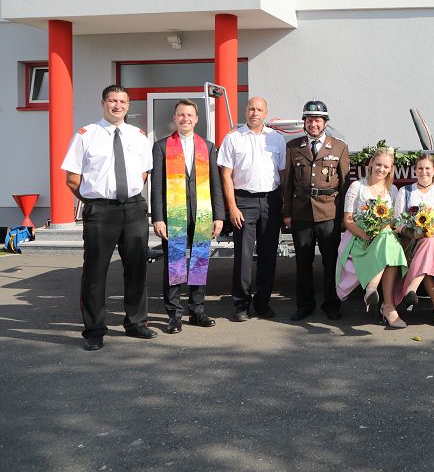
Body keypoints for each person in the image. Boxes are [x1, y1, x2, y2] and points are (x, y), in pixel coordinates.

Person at [62, 85, 155, 350]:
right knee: (95, 272)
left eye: (122, 102)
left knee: (137, 269)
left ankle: (136, 322)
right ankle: (94, 330)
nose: (117, 106)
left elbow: (143, 173)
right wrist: (93, 202)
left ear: (128, 106)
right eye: (112, 101)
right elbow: (72, 178)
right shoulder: (86, 135)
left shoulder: (138, 136)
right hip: (100, 211)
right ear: (103, 103)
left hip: (134, 208)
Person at [150, 99, 224, 334]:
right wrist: (158, 218)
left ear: (196, 119)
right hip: (174, 215)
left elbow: (215, 184)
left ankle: (197, 310)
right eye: (181, 115)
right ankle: (174, 315)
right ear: (174, 118)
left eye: (190, 115)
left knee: (199, 263)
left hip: (202, 214)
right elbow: (156, 187)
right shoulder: (162, 146)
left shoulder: (207, 147)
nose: (185, 119)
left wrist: (219, 216)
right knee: (174, 265)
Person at [218, 97, 286, 322]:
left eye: (259, 109)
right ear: (245, 111)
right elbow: (226, 176)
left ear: (266, 113)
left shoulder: (277, 139)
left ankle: (263, 303)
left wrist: (285, 206)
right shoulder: (233, 138)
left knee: (269, 255)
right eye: (251, 109)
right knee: (243, 257)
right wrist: (232, 207)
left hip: (270, 201)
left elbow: (283, 174)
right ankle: (241, 304)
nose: (254, 113)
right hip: (243, 202)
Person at [281, 101, 350, 322]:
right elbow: (288, 183)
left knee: (331, 262)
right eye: (309, 120)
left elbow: (345, 185)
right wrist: (287, 213)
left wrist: (344, 216)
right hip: (301, 213)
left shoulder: (339, 147)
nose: (313, 124)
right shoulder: (293, 147)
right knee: (303, 262)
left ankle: (332, 304)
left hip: (329, 213)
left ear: (325, 123)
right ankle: (304, 306)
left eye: (317, 120)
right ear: (304, 122)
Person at [336, 146, 409, 328]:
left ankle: (372, 288)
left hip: (383, 236)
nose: (381, 169)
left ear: (390, 169)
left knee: (388, 239)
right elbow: (348, 220)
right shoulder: (357, 186)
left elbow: (394, 221)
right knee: (391, 248)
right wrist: (365, 234)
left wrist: (382, 228)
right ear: (371, 163)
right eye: (378, 164)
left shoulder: (392, 190)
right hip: (360, 238)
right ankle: (388, 308)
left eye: (386, 166)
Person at [393, 153, 434, 327]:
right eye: (420, 168)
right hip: (412, 241)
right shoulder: (405, 191)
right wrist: (412, 232)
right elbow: (397, 222)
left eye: (427, 168)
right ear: (415, 170)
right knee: (427, 251)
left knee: (430, 243)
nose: (424, 172)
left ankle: (412, 287)